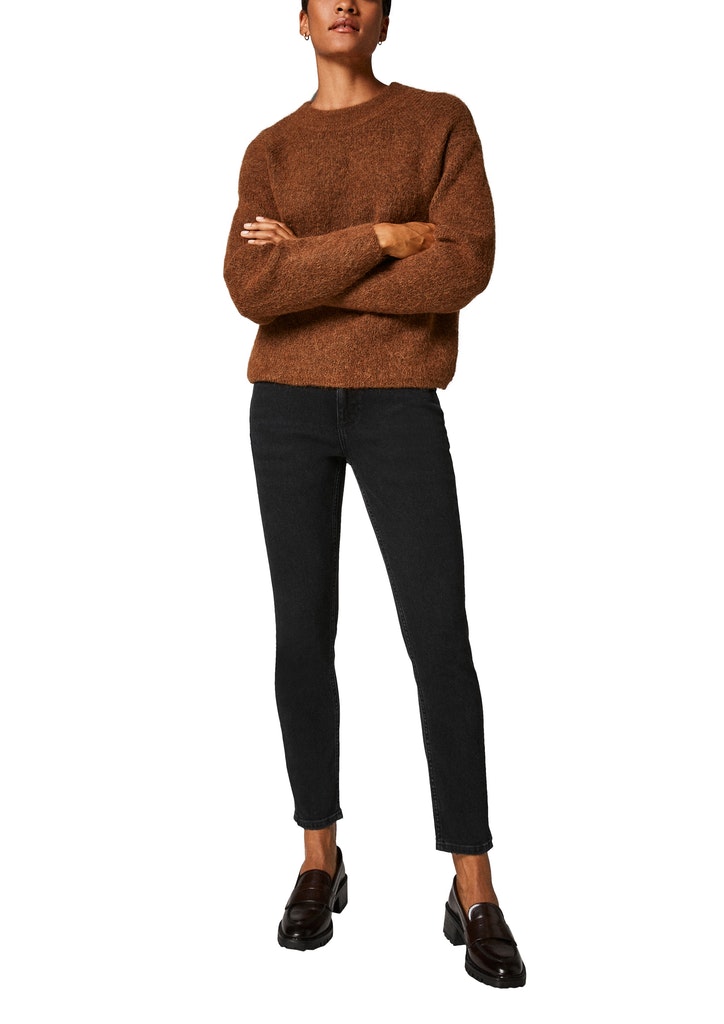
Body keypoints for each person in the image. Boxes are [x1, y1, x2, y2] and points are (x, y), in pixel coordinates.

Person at [223, 0, 525, 988]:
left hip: (399, 404)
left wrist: (309, 262)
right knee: (301, 632)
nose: (343, 4)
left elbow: (462, 266)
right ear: (301, 18)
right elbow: (250, 290)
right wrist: (385, 237)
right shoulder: (271, 149)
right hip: (286, 407)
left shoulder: (438, 120)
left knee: (438, 637)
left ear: (385, 17)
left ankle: (473, 885)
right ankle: (319, 857)